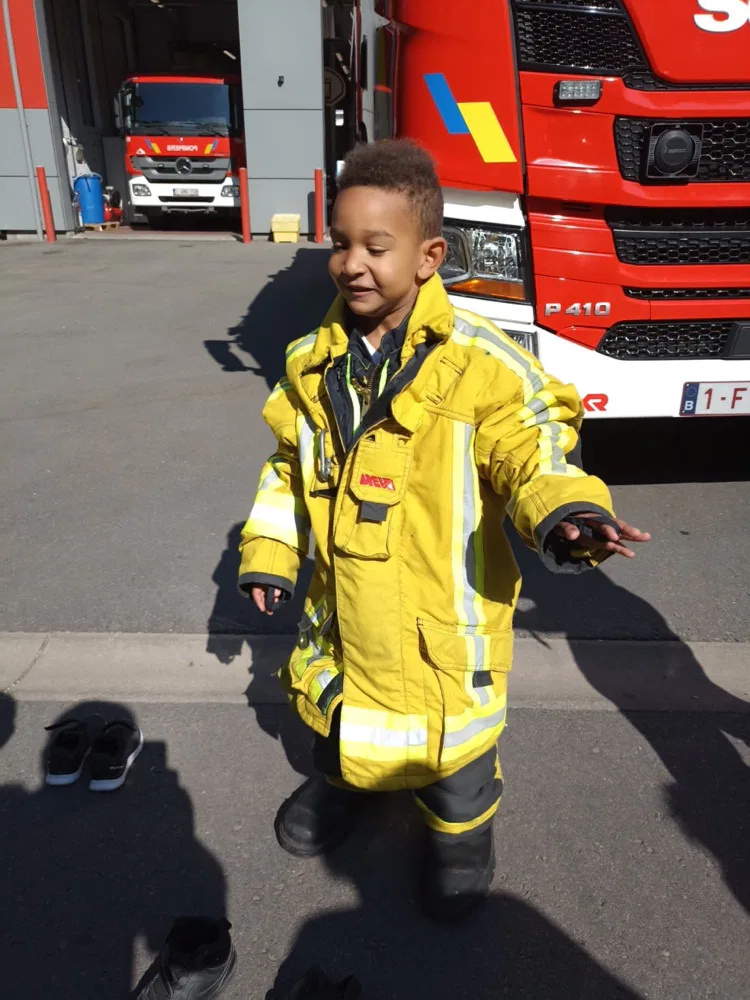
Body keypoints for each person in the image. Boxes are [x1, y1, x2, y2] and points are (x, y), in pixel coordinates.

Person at [237, 139, 650, 921]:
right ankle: (344, 784)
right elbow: (288, 467)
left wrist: (566, 511)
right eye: (340, 244)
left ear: (429, 257)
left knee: (456, 757)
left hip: (441, 629)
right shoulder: (310, 364)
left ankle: (462, 839)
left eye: (376, 247)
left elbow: (534, 445)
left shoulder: (484, 365)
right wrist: (269, 552)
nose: (352, 265)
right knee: (338, 715)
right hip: (343, 613)